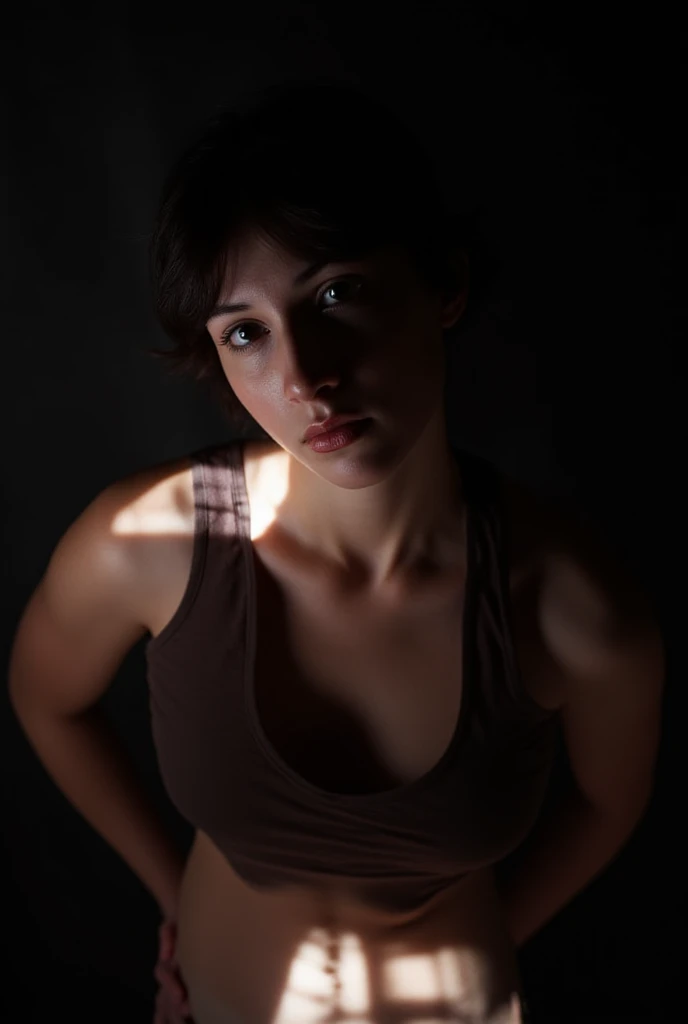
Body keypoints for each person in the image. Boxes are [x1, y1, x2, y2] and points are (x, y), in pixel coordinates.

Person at [8, 76, 665, 1024]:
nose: (306, 377)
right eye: (247, 332)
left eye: (337, 294)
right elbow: (45, 696)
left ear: (442, 284)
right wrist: (171, 895)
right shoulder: (146, 542)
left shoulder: (574, 611)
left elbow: (610, 804)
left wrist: (493, 945)